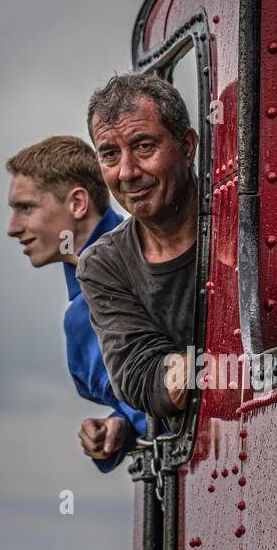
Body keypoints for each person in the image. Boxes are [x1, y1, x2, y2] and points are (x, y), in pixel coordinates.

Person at [6, 135, 147, 470]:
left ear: (78, 203)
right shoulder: (80, 307)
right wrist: (121, 425)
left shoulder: (147, 263)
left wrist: (131, 421)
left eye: (26, 208)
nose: (12, 228)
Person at [76, 74, 198, 425]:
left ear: (186, 147)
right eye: (110, 155)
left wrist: (189, 367)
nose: (127, 172)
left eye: (144, 146)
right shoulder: (103, 265)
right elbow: (141, 377)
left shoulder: (246, 221)